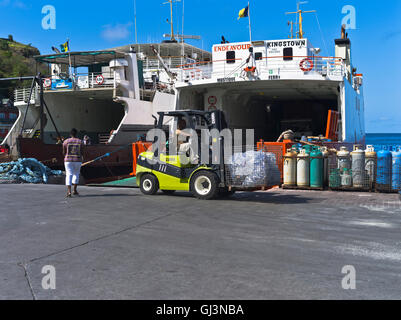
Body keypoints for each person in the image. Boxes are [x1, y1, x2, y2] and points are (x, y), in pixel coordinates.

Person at [63, 128, 83, 198]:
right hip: (78, 160)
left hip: (68, 160)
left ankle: (69, 191)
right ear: (76, 134)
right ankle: (74, 190)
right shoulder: (80, 141)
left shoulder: (66, 141)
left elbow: (63, 152)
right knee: (76, 174)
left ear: (70, 134)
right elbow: (82, 152)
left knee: (69, 174)